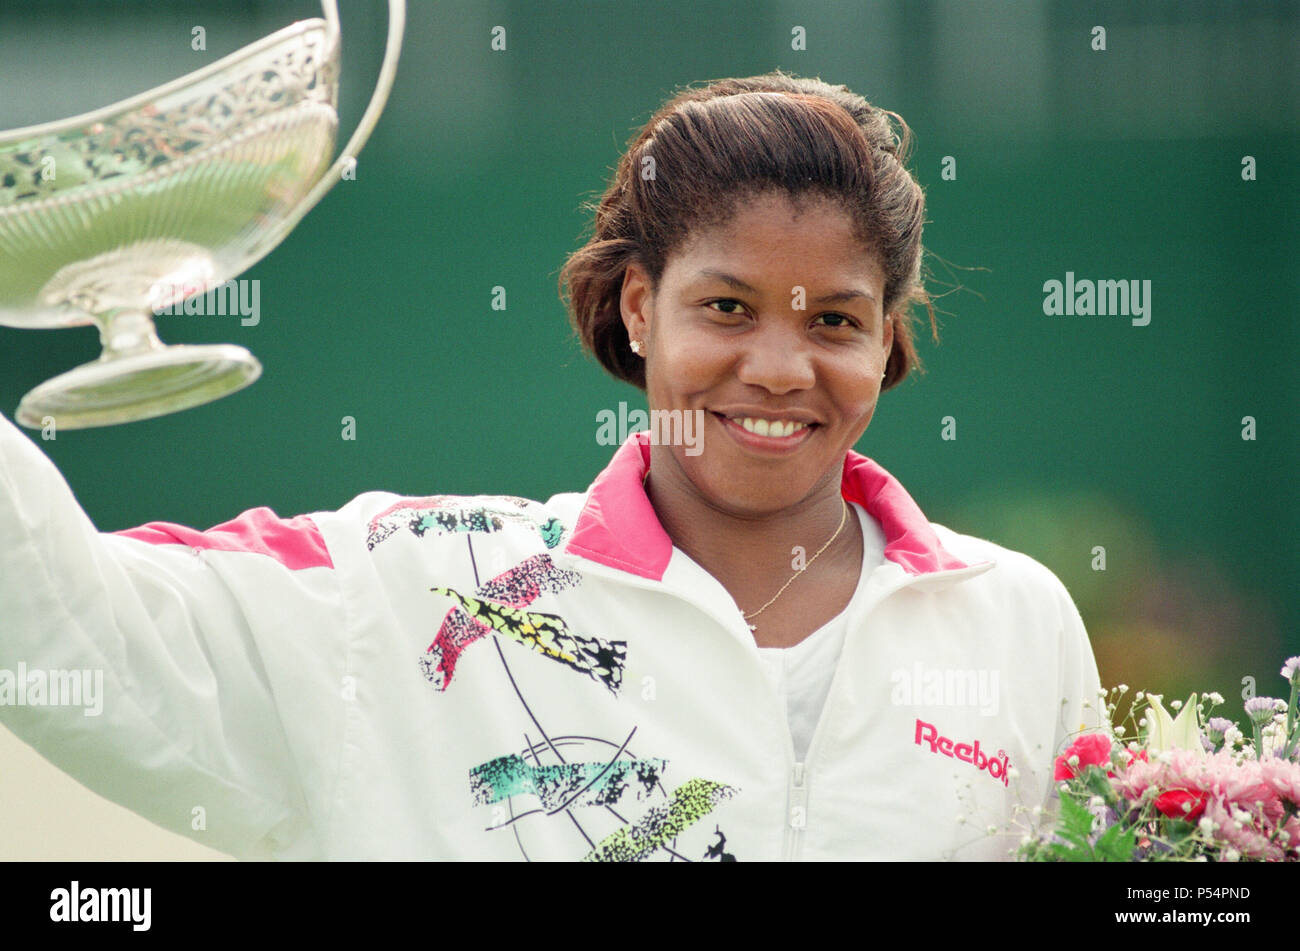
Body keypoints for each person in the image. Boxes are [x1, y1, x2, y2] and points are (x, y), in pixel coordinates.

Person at [0, 70, 1101, 861]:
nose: (778, 368)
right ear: (638, 308)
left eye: (835, 322)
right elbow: (67, 618)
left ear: (884, 340)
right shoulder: (411, 589)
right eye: (726, 307)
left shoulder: (1011, 616)